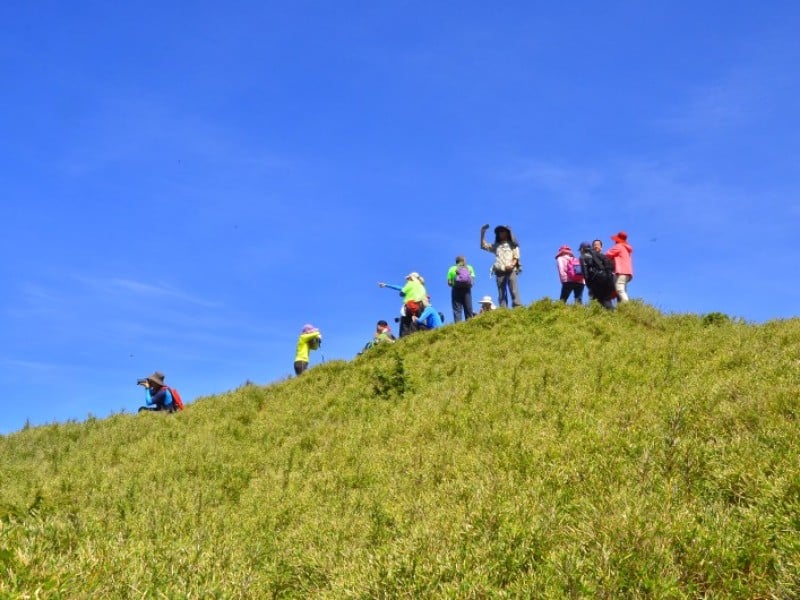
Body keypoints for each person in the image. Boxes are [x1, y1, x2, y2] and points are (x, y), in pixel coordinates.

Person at [480, 224, 522, 308]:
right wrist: (482, 233)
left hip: (510, 269)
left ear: (507, 233)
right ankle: (503, 309)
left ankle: (517, 306)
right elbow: (483, 246)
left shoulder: (513, 244)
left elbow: (516, 256)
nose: (501, 233)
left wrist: (512, 265)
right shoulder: (496, 246)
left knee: (513, 290)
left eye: (502, 231)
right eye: (499, 232)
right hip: (499, 270)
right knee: (501, 292)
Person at [378, 273, 428, 337]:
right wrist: (386, 285)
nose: (407, 280)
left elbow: (402, 292)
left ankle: (406, 339)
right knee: (419, 322)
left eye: (408, 278)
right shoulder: (422, 286)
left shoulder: (410, 284)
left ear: (411, 278)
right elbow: (400, 288)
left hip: (411, 306)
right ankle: (424, 335)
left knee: (405, 325)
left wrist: (386, 285)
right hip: (421, 306)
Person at [579, 241, 615, 309]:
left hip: (596, 282)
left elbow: (585, 274)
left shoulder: (583, 257)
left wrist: (589, 286)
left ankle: (597, 317)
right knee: (606, 301)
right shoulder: (601, 255)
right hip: (608, 280)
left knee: (595, 302)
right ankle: (614, 316)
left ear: (582, 249)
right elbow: (611, 266)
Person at [606, 231, 634, 303]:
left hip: (621, 271)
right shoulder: (627, 249)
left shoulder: (619, 246)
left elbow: (608, 254)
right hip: (628, 272)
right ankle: (624, 307)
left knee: (619, 288)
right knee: (623, 289)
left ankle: (627, 306)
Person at [446, 255, 476, 322]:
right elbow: (473, 279)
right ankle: (470, 324)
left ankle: (458, 326)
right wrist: (469, 285)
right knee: (468, 308)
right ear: (464, 261)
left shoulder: (451, 269)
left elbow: (449, 282)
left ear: (456, 262)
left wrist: (455, 284)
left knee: (457, 310)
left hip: (456, 289)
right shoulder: (469, 267)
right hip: (467, 290)